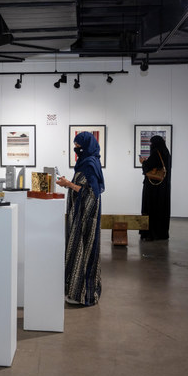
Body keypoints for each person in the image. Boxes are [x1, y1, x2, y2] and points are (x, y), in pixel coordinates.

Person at [56, 131, 104, 306]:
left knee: (85, 250)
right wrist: (69, 182)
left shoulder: (90, 164)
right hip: (81, 213)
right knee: (79, 250)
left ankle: (85, 294)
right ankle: (76, 291)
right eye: (75, 145)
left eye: (78, 146)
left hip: (87, 216)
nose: (76, 149)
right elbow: (83, 186)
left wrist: (68, 184)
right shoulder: (86, 162)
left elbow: (91, 193)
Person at [139, 135, 172, 241]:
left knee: (150, 208)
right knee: (162, 209)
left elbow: (147, 167)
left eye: (151, 143)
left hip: (153, 188)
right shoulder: (167, 153)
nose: (151, 145)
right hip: (164, 187)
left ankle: (150, 234)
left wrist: (143, 162)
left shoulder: (155, 153)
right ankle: (161, 233)